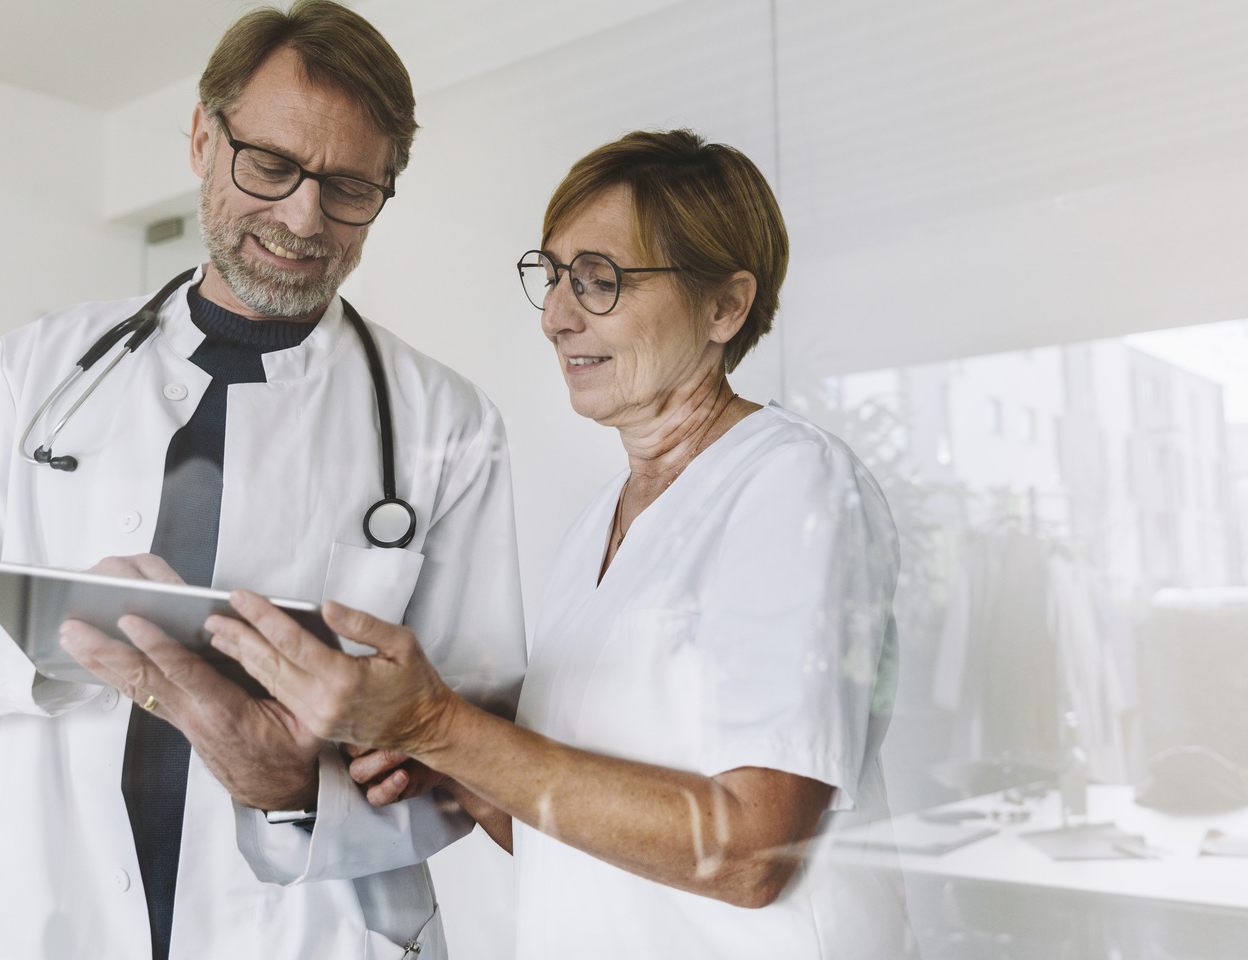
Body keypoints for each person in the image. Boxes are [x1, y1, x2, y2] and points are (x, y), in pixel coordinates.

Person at [0, 0, 525, 959]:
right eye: (271, 166)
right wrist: (63, 637)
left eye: (349, 189)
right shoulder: (31, 374)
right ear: (203, 137)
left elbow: (479, 757)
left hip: (304, 926)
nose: (303, 217)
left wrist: (296, 791)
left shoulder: (446, 425)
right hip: (43, 909)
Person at [209, 130, 917, 959]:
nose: (555, 316)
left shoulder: (792, 486)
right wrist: (450, 764)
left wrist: (442, 726)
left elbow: (753, 852)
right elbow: (560, 836)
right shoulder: (600, 528)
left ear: (724, 306)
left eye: (599, 281)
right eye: (551, 277)